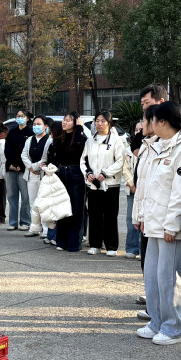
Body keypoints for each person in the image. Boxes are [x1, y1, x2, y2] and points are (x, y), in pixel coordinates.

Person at [133, 102, 181, 345]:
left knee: (169, 278)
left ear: (162, 122)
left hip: (169, 227)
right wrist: (140, 215)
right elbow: (146, 186)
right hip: (153, 223)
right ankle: (157, 321)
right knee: (152, 276)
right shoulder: (156, 148)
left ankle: (174, 327)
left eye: (151, 121)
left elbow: (180, 193)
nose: (147, 125)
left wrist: (172, 225)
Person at [135, 85, 168, 302]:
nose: (145, 109)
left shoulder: (168, 144)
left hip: (161, 217)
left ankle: (158, 307)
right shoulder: (148, 141)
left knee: (161, 266)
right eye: (143, 105)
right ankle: (151, 299)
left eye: (148, 103)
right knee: (148, 260)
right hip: (146, 211)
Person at [81, 110, 126, 256]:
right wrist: (88, 173)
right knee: (94, 214)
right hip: (93, 184)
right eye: (97, 121)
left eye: (103, 121)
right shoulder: (90, 141)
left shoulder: (115, 141)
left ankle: (111, 246)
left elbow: (120, 161)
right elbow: (83, 160)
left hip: (110, 184)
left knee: (110, 215)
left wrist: (106, 173)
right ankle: (95, 244)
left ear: (109, 123)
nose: (99, 124)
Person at [46, 112, 88, 252]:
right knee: (61, 207)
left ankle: (74, 243)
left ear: (76, 122)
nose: (65, 123)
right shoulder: (59, 139)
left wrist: (79, 128)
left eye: (69, 120)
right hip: (61, 172)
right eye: (64, 120)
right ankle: (61, 241)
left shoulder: (81, 138)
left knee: (76, 209)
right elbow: (55, 158)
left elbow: (79, 146)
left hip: (76, 173)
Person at [21, 115, 52, 238]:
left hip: (43, 174)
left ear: (45, 126)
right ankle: (34, 227)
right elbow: (24, 155)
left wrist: (36, 167)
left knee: (43, 201)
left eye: (39, 124)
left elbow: (45, 158)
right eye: (34, 124)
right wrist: (30, 167)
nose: (36, 126)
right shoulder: (29, 140)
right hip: (31, 175)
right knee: (33, 202)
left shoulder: (49, 140)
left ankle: (45, 229)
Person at [4, 108, 33, 231]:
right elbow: (7, 149)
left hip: (23, 168)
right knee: (11, 195)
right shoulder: (12, 132)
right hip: (11, 168)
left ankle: (25, 221)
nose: (19, 117)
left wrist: (19, 164)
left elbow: (28, 151)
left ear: (27, 118)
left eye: (22, 115)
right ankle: (13, 221)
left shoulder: (30, 132)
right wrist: (11, 163)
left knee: (25, 196)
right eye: (18, 115)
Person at [123, 120, 143, 260]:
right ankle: (131, 247)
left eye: (141, 129)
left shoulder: (151, 148)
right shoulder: (128, 149)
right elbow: (125, 169)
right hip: (132, 189)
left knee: (144, 219)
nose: (138, 132)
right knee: (131, 219)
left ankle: (143, 249)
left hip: (145, 189)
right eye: (136, 130)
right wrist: (132, 183)